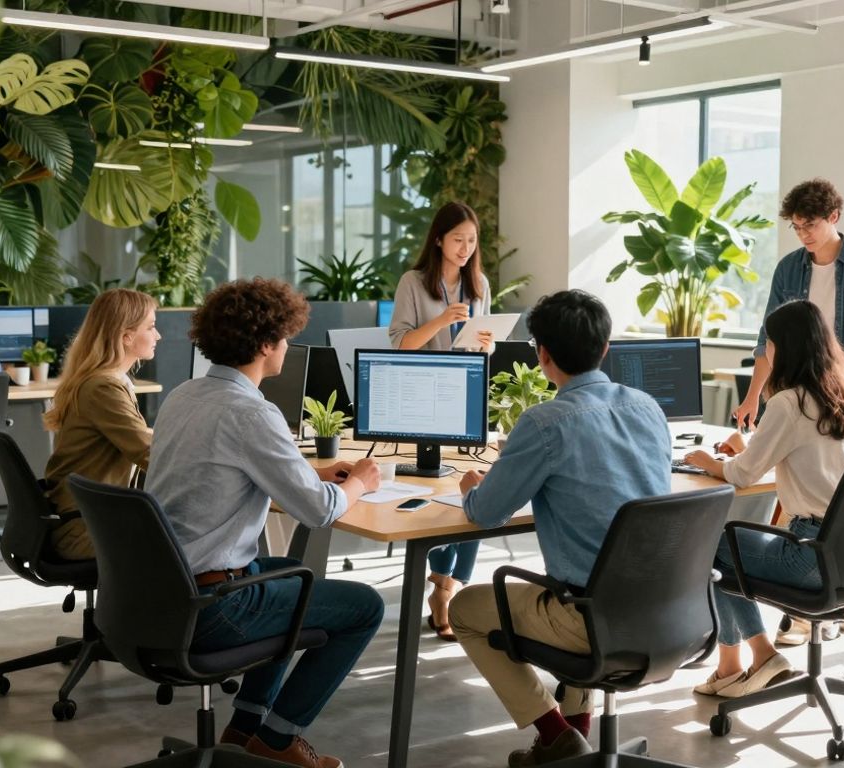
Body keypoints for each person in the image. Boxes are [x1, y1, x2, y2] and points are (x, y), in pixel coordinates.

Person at [147, 278, 385, 768]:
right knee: (363, 606)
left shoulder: (183, 396)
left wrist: (309, 474)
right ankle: (279, 738)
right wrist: (360, 481)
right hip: (213, 607)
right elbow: (319, 510)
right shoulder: (252, 413)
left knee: (293, 576)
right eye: (285, 338)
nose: (287, 347)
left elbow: (221, 468)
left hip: (164, 592)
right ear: (264, 345)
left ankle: (246, 727)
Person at [447, 289, 672, 766]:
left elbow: (486, 513)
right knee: (578, 580)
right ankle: (577, 733)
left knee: (466, 608)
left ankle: (556, 735)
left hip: (590, 619)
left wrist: (472, 485)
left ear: (542, 355)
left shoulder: (546, 422)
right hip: (670, 610)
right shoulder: (647, 407)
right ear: (605, 349)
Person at [684, 300, 844, 699]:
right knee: (726, 546)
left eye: (768, 343)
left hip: (811, 554)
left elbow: (743, 475)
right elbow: (811, 455)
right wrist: (750, 448)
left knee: (709, 544)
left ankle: (757, 656)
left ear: (783, 347)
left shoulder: (789, 402)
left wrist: (707, 461)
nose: (765, 351)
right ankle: (730, 667)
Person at [389, 200, 494, 640]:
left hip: (466, 395)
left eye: (471, 241)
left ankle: (447, 587)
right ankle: (440, 585)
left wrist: (487, 346)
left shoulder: (480, 284)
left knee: (476, 487)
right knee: (437, 494)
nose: (465, 248)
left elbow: (481, 346)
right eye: (457, 240)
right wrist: (441, 320)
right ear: (438, 239)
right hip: (422, 398)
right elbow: (399, 345)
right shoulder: (414, 283)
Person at [732, 178, 844, 433]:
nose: (803, 234)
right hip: (798, 391)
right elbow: (768, 338)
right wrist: (752, 397)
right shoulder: (788, 269)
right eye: (796, 227)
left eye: (809, 225)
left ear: (833, 216)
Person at [42, 288, 159, 561]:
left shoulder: (102, 380)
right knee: (196, 538)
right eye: (151, 327)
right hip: (85, 529)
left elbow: (140, 439)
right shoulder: (103, 387)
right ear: (126, 336)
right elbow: (148, 453)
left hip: (88, 519)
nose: (158, 336)